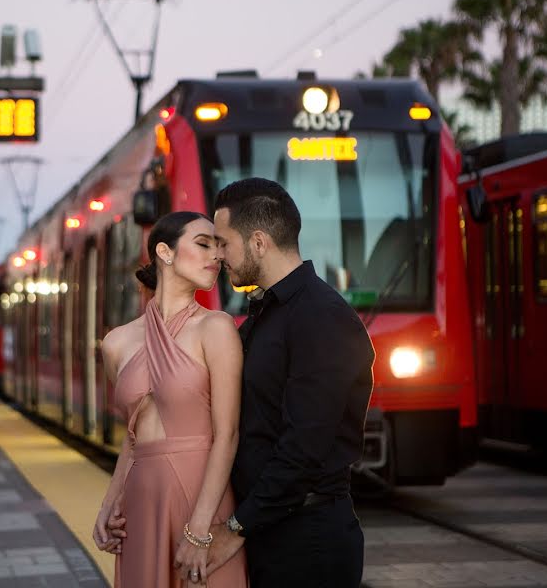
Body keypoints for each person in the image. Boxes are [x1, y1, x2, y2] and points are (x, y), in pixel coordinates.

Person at [206, 177, 375, 587]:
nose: (218, 256)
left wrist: (235, 528)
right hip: (275, 530)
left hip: (307, 540)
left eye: (223, 243)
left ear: (259, 243)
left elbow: (303, 448)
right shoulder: (266, 316)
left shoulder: (321, 317)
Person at [93, 211, 249, 588]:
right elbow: (134, 437)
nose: (216, 256)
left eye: (219, 247)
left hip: (202, 498)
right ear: (164, 251)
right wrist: (110, 502)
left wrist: (200, 530)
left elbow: (226, 436)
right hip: (141, 501)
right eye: (203, 244)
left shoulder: (217, 328)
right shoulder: (116, 343)